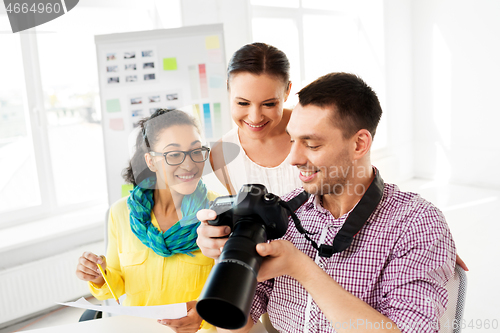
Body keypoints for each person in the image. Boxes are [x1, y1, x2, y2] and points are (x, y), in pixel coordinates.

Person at [197, 73, 458, 333]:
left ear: (359, 144)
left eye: (311, 144)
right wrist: (229, 253)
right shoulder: (283, 212)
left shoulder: (416, 223)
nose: (294, 158)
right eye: (292, 141)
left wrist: (301, 268)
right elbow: (238, 322)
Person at [76, 109, 218, 333]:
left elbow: (232, 292)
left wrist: (205, 316)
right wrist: (99, 276)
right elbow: (118, 286)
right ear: (151, 161)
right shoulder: (121, 213)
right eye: (173, 155)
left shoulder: (218, 212)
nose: (189, 165)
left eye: (196, 151)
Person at [210, 42, 302, 196]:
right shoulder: (222, 154)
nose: (255, 118)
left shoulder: (315, 130)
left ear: (287, 91)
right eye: (243, 103)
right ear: (228, 89)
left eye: (269, 104)